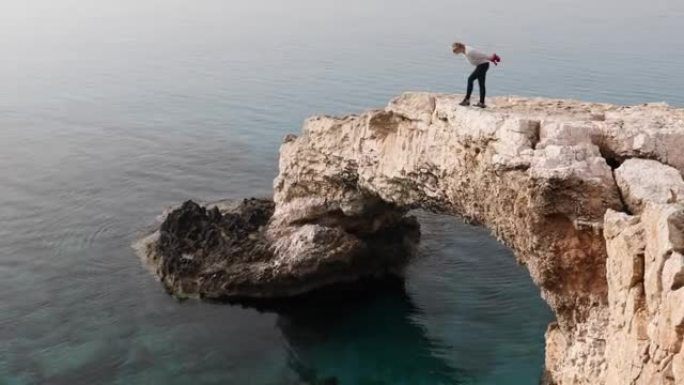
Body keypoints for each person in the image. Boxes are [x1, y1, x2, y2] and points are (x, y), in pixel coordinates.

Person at [451, 42, 501, 108]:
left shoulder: (470, 51)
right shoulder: (464, 50)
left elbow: (482, 55)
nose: (455, 52)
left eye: (455, 50)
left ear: (460, 48)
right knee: (481, 84)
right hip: (481, 66)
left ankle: (467, 100)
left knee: (470, 79)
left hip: (483, 66)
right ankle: (481, 103)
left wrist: (491, 58)